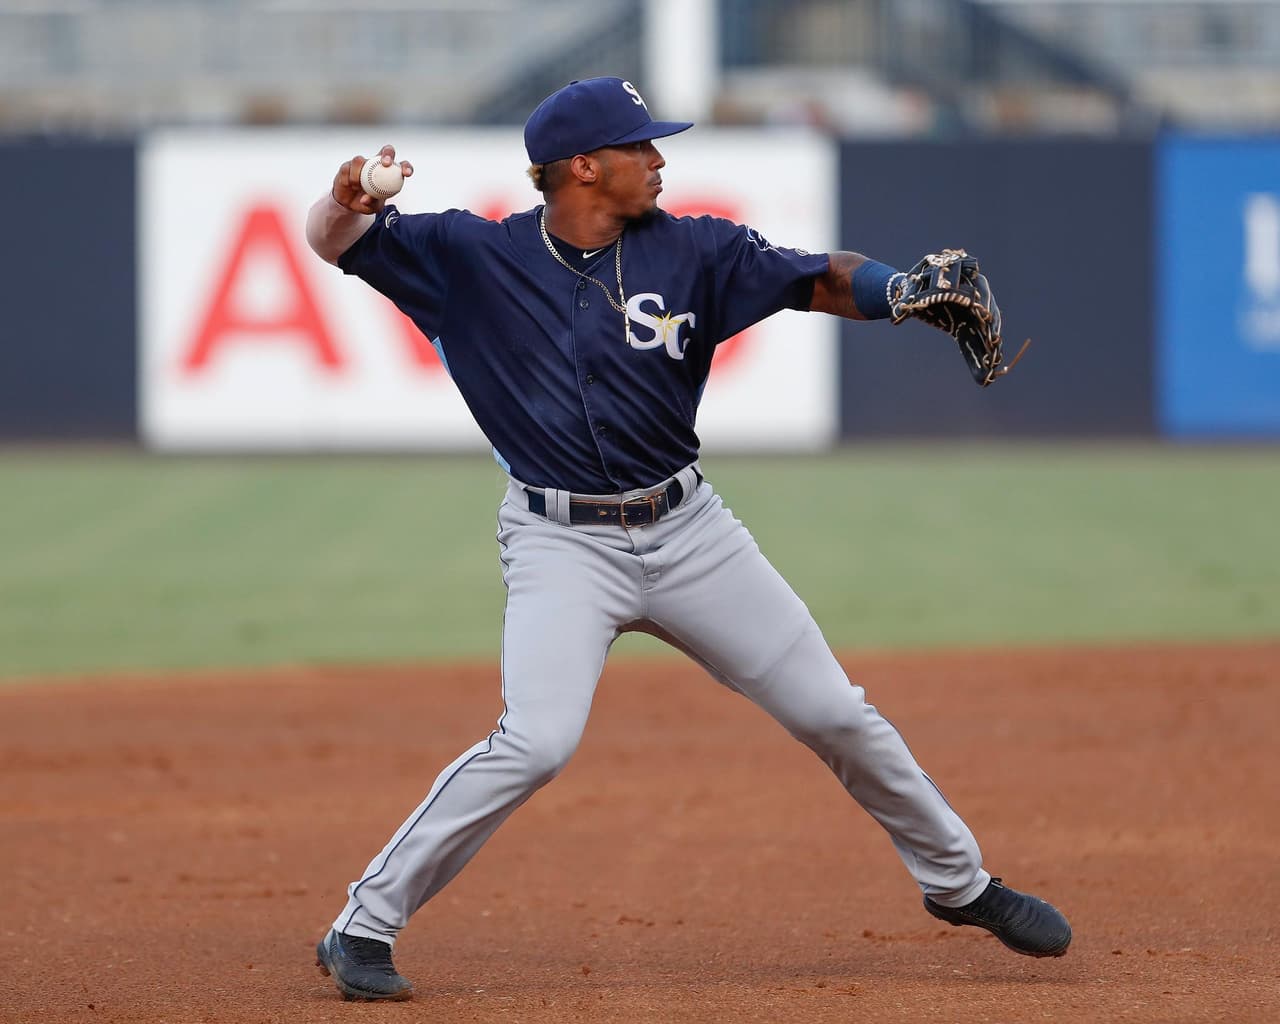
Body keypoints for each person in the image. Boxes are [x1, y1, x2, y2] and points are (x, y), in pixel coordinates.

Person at [305, 77, 1070, 1003]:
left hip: (690, 531)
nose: (659, 159)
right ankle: (363, 924)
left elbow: (818, 276)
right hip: (560, 543)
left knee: (835, 712)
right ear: (584, 168)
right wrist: (345, 200)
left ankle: (959, 884)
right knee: (536, 741)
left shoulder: (696, 249)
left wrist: (899, 289)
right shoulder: (473, 255)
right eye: (640, 146)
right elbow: (335, 242)